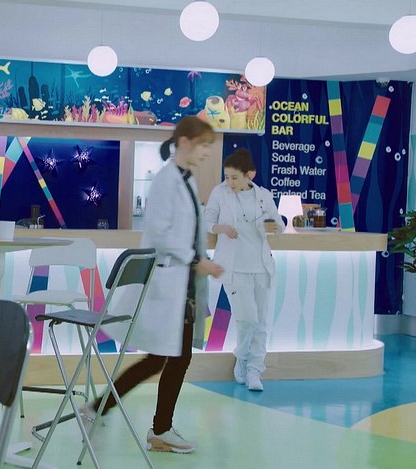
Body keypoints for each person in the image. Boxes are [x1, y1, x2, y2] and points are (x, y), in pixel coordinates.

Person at [90, 116, 224, 454]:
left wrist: (197, 260)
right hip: (171, 281)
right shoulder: (167, 180)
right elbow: (161, 234)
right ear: (184, 142)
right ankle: (151, 425)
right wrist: (196, 260)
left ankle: (112, 411)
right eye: (204, 145)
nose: (207, 152)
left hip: (183, 284)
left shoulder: (185, 179)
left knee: (171, 357)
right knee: (167, 358)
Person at [204, 148, 284, 391]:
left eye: (234, 177)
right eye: (227, 176)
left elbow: (279, 224)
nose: (229, 182)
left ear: (250, 174)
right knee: (247, 318)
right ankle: (241, 357)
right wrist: (221, 228)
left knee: (261, 321)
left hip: (261, 266)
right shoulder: (220, 193)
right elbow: (206, 221)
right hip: (234, 267)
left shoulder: (263, 196)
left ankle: (254, 370)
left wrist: (271, 226)